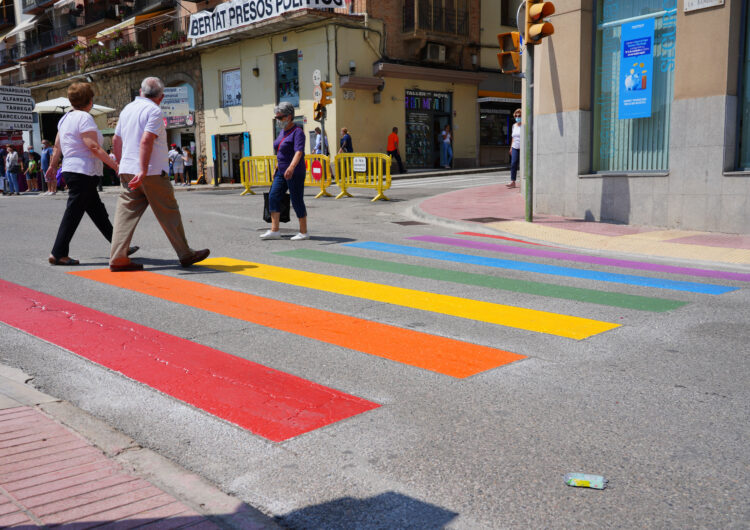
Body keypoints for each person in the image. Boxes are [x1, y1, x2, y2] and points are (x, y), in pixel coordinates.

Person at [109, 77, 209, 271]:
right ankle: (185, 254)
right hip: (151, 171)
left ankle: (118, 257)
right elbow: (147, 140)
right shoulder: (153, 111)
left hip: (128, 170)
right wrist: (143, 169)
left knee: (125, 213)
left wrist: (121, 164)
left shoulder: (127, 109)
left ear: (141, 91)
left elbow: (116, 139)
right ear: (161, 97)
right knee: (168, 211)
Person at [45, 82, 138, 266]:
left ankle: (119, 246)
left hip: (72, 170)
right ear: (89, 100)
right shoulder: (84, 118)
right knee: (73, 214)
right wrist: (115, 165)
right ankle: (58, 253)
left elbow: (57, 146)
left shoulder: (64, 119)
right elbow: (93, 146)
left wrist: (52, 166)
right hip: (83, 171)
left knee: (98, 212)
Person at [260, 101, 308, 241]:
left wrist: (291, 167)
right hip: (281, 171)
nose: (278, 120)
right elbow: (280, 150)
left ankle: (304, 232)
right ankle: (275, 230)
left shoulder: (298, 132)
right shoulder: (282, 132)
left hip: (295, 171)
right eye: (276, 118)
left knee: (296, 199)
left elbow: (299, 152)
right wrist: (277, 166)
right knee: (273, 196)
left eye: (280, 117)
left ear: (289, 116)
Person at [508, 108, 522, 189]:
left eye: (519, 115)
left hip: (523, 147)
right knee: (513, 163)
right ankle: (513, 181)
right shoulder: (514, 126)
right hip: (515, 147)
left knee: (524, 165)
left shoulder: (524, 125)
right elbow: (513, 137)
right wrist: (511, 148)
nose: (517, 117)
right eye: (516, 116)